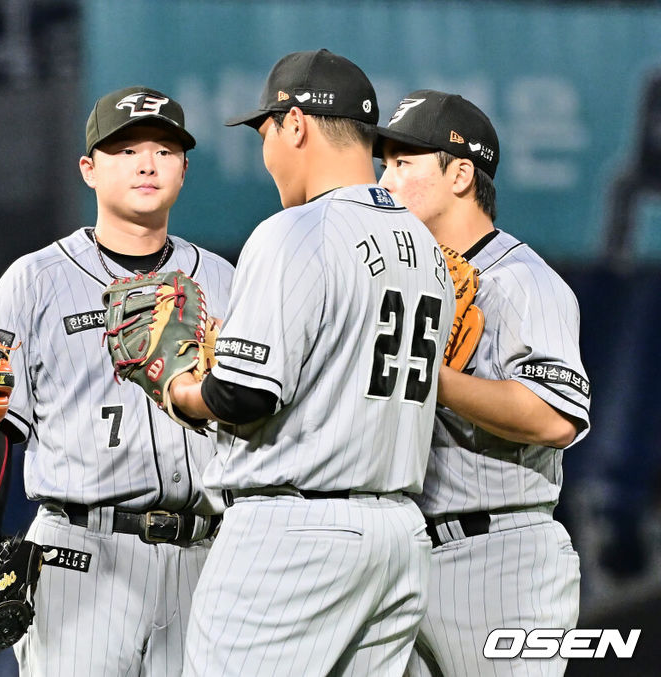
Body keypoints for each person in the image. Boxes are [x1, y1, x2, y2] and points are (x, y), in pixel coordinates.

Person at [168, 49, 456, 675]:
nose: (266, 150)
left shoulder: (295, 231)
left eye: (266, 131)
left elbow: (244, 397)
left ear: (295, 124)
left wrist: (181, 388)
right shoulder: (429, 249)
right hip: (399, 538)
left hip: (296, 535)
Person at [0, 86, 234, 676]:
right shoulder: (33, 280)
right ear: (88, 168)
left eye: (164, 149)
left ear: (185, 169)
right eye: (126, 149)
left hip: (206, 555)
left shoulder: (224, 279)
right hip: (82, 553)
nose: (146, 163)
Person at [376, 90, 590, 676]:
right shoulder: (406, 284)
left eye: (403, 163)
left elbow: (554, 418)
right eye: (384, 165)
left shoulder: (523, 282)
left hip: (500, 556)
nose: (385, 181)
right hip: (403, 556)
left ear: (461, 174)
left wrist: (430, 375)